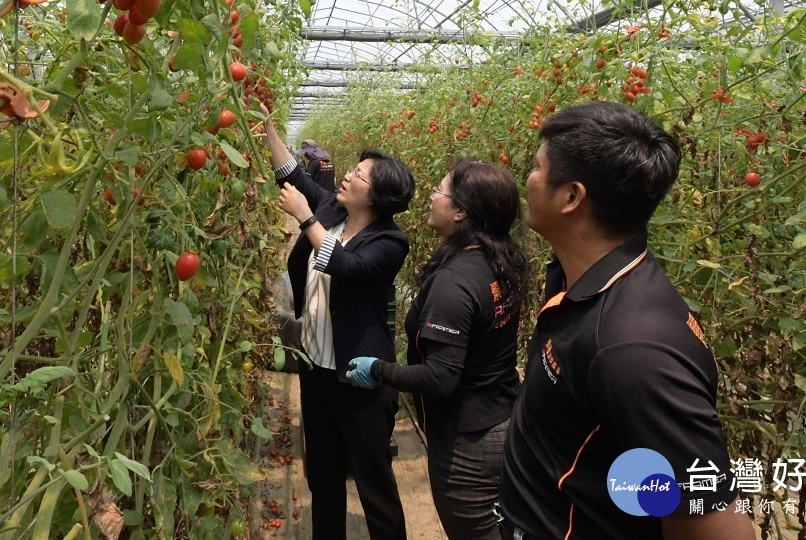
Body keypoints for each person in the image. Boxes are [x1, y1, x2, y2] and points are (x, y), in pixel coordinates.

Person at [496, 101, 754, 540]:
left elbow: (718, 530)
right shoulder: (578, 276)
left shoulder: (632, 351)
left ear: (572, 197)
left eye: (537, 168)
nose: (529, 179)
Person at [345, 159, 530, 540]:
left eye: (440, 190)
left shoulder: (454, 283)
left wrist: (378, 370)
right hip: (503, 419)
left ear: (461, 210)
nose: (431, 195)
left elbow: (439, 378)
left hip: (467, 443)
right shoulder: (501, 259)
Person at [264, 115, 416, 540]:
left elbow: (345, 266)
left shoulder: (390, 242)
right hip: (317, 372)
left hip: (360, 379)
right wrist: (268, 125)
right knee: (323, 477)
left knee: (374, 484)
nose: (346, 175)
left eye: (359, 174)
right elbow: (290, 175)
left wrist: (304, 219)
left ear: (378, 196)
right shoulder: (332, 209)